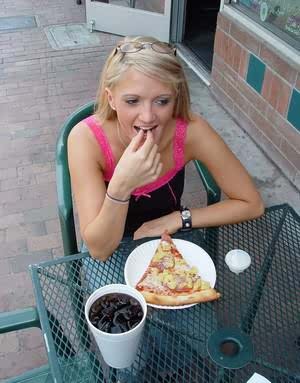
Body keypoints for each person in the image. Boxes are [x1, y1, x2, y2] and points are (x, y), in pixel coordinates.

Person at [68, 36, 264, 261]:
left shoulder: (191, 131)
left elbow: (252, 203)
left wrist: (179, 219)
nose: (148, 116)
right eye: (132, 101)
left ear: (175, 97)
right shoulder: (86, 139)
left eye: (162, 101)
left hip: (170, 232)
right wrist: (122, 185)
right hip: (111, 244)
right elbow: (99, 251)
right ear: (111, 99)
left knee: (192, 296)